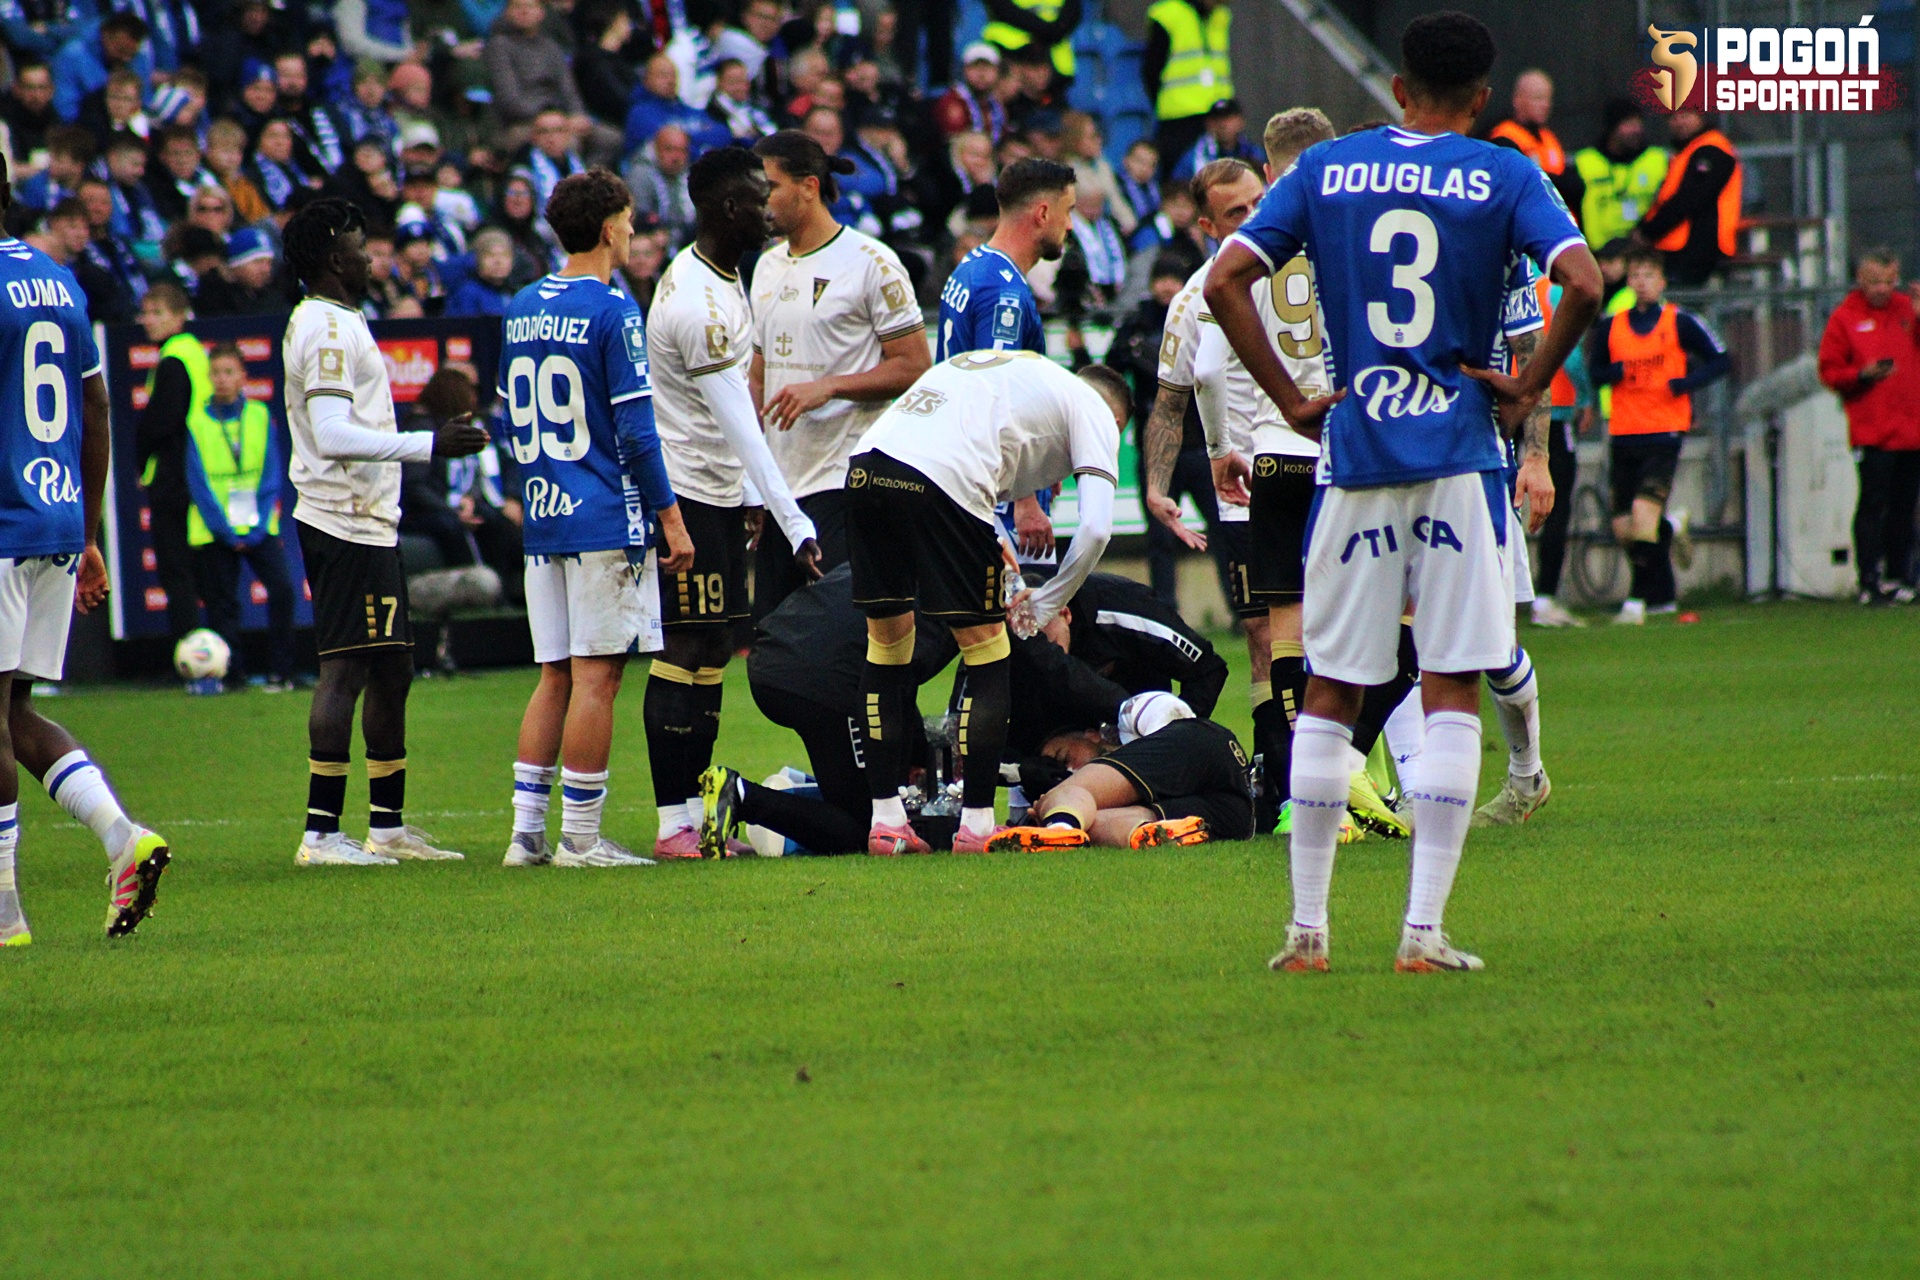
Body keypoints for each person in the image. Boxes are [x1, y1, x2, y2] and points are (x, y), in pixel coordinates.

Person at [1206, 10, 1601, 974]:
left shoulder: (1324, 169)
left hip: (1355, 455)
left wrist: (1291, 401)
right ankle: (1422, 932)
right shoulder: (1505, 172)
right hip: (1459, 459)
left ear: (1395, 88)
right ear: (1482, 98)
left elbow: (1224, 283)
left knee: (1330, 687)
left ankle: (1307, 930)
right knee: (1449, 680)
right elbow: (1584, 284)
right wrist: (1528, 384)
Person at [845, 354, 1128, 855]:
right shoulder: (1095, 409)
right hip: (940, 478)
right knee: (988, 652)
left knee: (887, 648)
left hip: (866, 467)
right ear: (1116, 420)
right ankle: (976, 826)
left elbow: (962, 451)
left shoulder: (1023, 376)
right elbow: (1096, 528)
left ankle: (886, 822)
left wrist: (993, 544)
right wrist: (1047, 603)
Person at [281, 197, 491, 866]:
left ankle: (388, 826)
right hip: (342, 518)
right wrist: (428, 445)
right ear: (332, 259)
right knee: (345, 668)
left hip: (369, 518)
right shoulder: (326, 328)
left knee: (393, 666)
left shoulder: (338, 318)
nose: (372, 258)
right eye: (359, 248)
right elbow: (332, 433)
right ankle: (320, 835)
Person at [498, 168, 694, 869]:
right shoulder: (614, 309)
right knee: (596, 678)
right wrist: (672, 519)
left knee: (553, 675)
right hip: (603, 517)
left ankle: (526, 836)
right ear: (610, 228)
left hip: (544, 516)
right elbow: (637, 433)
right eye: (630, 220)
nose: (634, 231)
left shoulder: (522, 304)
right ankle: (581, 840)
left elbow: (508, 417)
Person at [0, 152, 170, 946]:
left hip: (4, 523)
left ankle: (5, 909)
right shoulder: (58, 280)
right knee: (14, 710)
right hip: (57, 521)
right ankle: (121, 837)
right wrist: (90, 531)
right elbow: (96, 406)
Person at [639, 146, 823, 859]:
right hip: (684, 491)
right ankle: (671, 824)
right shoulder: (699, 305)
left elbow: (731, 419)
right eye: (756, 198)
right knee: (685, 646)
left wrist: (746, 495)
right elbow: (742, 424)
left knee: (715, 646)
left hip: (716, 490)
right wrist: (794, 521)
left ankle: (698, 818)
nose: (769, 210)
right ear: (725, 208)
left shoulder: (724, 275)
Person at [747, 128, 929, 619]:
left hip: (845, 481)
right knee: (772, 640)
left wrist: (829, 387)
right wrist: (753, 479)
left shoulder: (872, 263)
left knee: (840, 636)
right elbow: (758, 376)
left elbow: (915, 365)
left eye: (769, 187)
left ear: (809, 187)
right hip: (782, 491)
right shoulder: (766, 266)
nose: (759, 201)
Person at [935, 156, 1076, 569]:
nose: (1070, 225)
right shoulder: (1004, 293)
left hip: (971, 477)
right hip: (997, 497)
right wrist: (1025, 497)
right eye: (1067, 211)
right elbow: (993, 393)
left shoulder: (974, 265)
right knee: (1028, 608)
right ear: (1043, 213)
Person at [1586, 248, 1729, 624]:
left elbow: (1722, 359)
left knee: (1641, 515)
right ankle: (1667, 565)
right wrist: (1612, 374)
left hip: (1664, 431)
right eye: (1635, 275)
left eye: (1649, 275)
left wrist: (1686, 383)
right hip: (1624, 431)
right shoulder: (1612, 326)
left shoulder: (1680, 321)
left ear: (1662, 281)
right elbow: (1594, 371)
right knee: (1624, 528)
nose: (1641, 283)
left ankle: (1636, 602)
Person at [1005, 692, 1253, 848]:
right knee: (1093, 825)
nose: (1070, 768)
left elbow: (1180, 730)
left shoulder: (1132, 717)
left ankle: (1058, 828)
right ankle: (1152, 832)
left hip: (1210, 748)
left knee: (1071, 792)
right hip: (1234, 815)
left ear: (1091, 736)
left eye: (1063, 756)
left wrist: (1052, 801)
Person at [185, 343, 295, 690]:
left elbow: (271, 474)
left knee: (282, 590)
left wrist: (257, 526)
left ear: (243, 377)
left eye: (229, 372)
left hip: (259, 525)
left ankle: (281, 671)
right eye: (216, 372)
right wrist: (226, 531)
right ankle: (232, 676)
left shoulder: (260, 415)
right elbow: (198, 483)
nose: (222, 379)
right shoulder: (196, 421)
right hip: (214, 530)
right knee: (224, 604)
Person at [1818, 248, 1920, 604]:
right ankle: (1869, 580)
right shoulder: (1845, 317)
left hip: (1912, 429)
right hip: (1873, 430)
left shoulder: (1908, 310)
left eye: (1890, 281)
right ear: (1860, 279)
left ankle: (1900, 577)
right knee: (1874, 503)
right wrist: (1861, 375)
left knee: (1905, 506)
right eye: (1875, 281)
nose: (1883, 289)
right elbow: (1829, 371)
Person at [133, 282, 210, 658]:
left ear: (180, 316)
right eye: (146, 312)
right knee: (204, 569)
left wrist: (139, 455)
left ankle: (189, 653)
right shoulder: (194, 352)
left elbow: (163, 421)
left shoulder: (173, 358)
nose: (148, 320)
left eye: (158, 312)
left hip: (174, 475)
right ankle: (217, 654)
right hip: (199, 472)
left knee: (176, 568)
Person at [1057, 572, 1228, 714]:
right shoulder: (1043, 648)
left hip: (1140, 711)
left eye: (1044, 625)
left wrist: (1173, 734)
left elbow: (1207, 668)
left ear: (1064, 613)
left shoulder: (1124, 612)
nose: (1046, 645)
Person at [1527, 272, 1595, 628]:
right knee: (1555, 505)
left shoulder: (1504, 289)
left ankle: (1498, 597)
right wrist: (1585, 396)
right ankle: (1545, 599)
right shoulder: (1554, 294)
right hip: (1553, 410)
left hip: (1508, 407)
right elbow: (1570, 358)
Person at [1637, 108, 1741, 289]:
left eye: (1685, 115)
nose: (1679, 122)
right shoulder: (1687, 150)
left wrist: (1649, 231)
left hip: (1699, 250)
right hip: (1677, 248)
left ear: (1700, 115)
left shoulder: (1711, 149)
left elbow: (1689, 199)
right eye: (1672, 117)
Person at [1143, 0, 1232, 180]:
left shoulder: (1221, 16)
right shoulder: (1167, 14)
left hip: (1217, 113)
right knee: (1180, 182)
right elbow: (1151, 70)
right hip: (1179, 118)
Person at [1569, 98, 1668, 251]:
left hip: (1644, 255)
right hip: (1598, 255)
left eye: (1638, 123)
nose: (1636, 129)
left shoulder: (1657, 160)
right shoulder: (1585, 162)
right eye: (1628, 123)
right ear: (1612, 128)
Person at [1486, 68, 1580, 211]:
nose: (1545, 105)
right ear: (1518, 100)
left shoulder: (1548, 137)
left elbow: (1573, 185)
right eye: (1538, 98)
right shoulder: (1504, 137)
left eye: (1548, 99)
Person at [981, 0, 1081, 84]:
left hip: (1057, 62)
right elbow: (1002, 9)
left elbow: (1073, 11)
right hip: (1011, 54)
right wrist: (1047, 30)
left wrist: (1052, 30)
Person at [1170, 97, 1260, 183]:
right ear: (1208, 124)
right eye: (1217, 120)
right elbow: (1178, 186)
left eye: (1228, 118)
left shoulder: (1253, 152)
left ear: (1241, 121)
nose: (1222, 125)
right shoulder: (1193, 158)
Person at [933, 42, 1006, 143]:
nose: (982, 74)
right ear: (964, 70)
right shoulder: (952, 101)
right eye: (975, 67)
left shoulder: (995, 105)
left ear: (997, 72)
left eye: (987, 68)